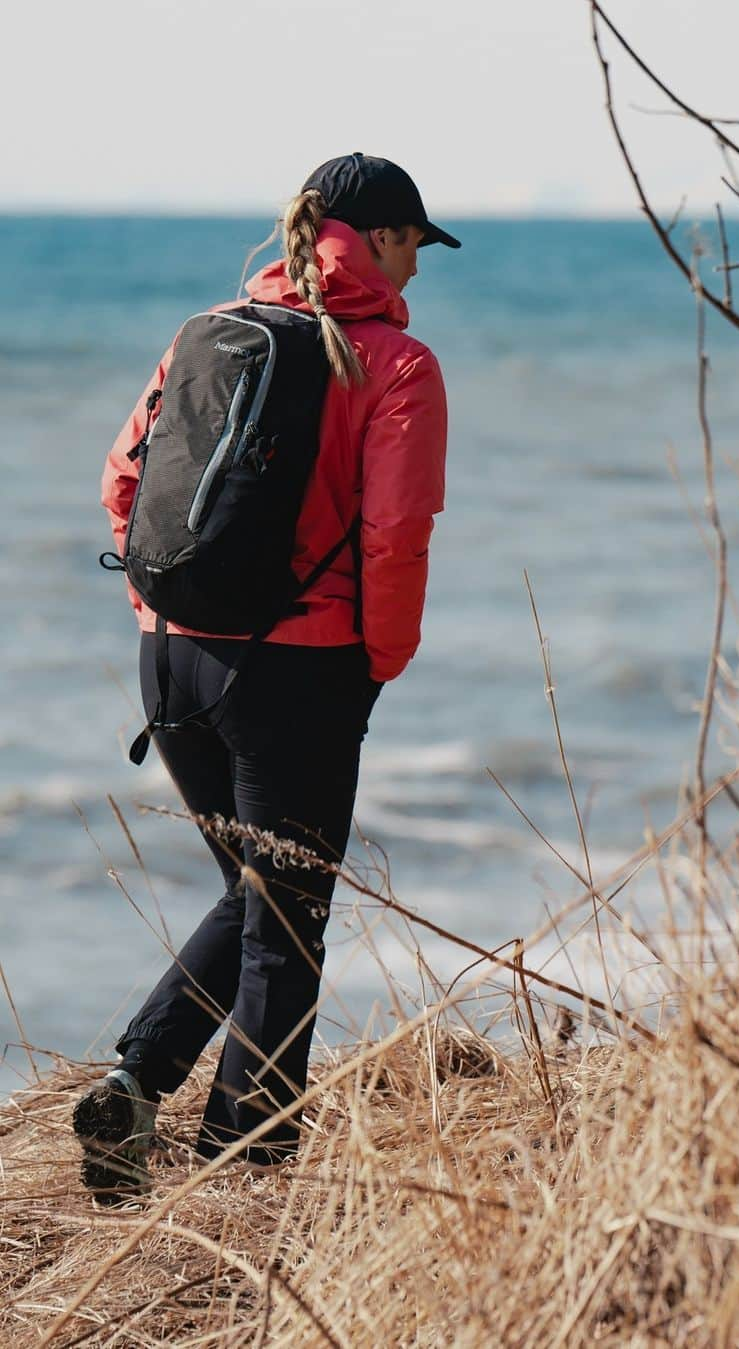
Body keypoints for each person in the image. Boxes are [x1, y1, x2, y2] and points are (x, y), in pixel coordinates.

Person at [74, 153, 458, 1198]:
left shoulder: (207, 330)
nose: (419, 267)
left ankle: (137, 1077)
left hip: (171, 658)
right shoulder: (397, 365)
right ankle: (247, 1178)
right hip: (297, 671)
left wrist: (166, 611)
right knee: (289, 921)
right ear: (377, 237)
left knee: (259, 896)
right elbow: (395, 539)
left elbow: (123, 481)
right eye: (416, 243)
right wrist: (378, 660)